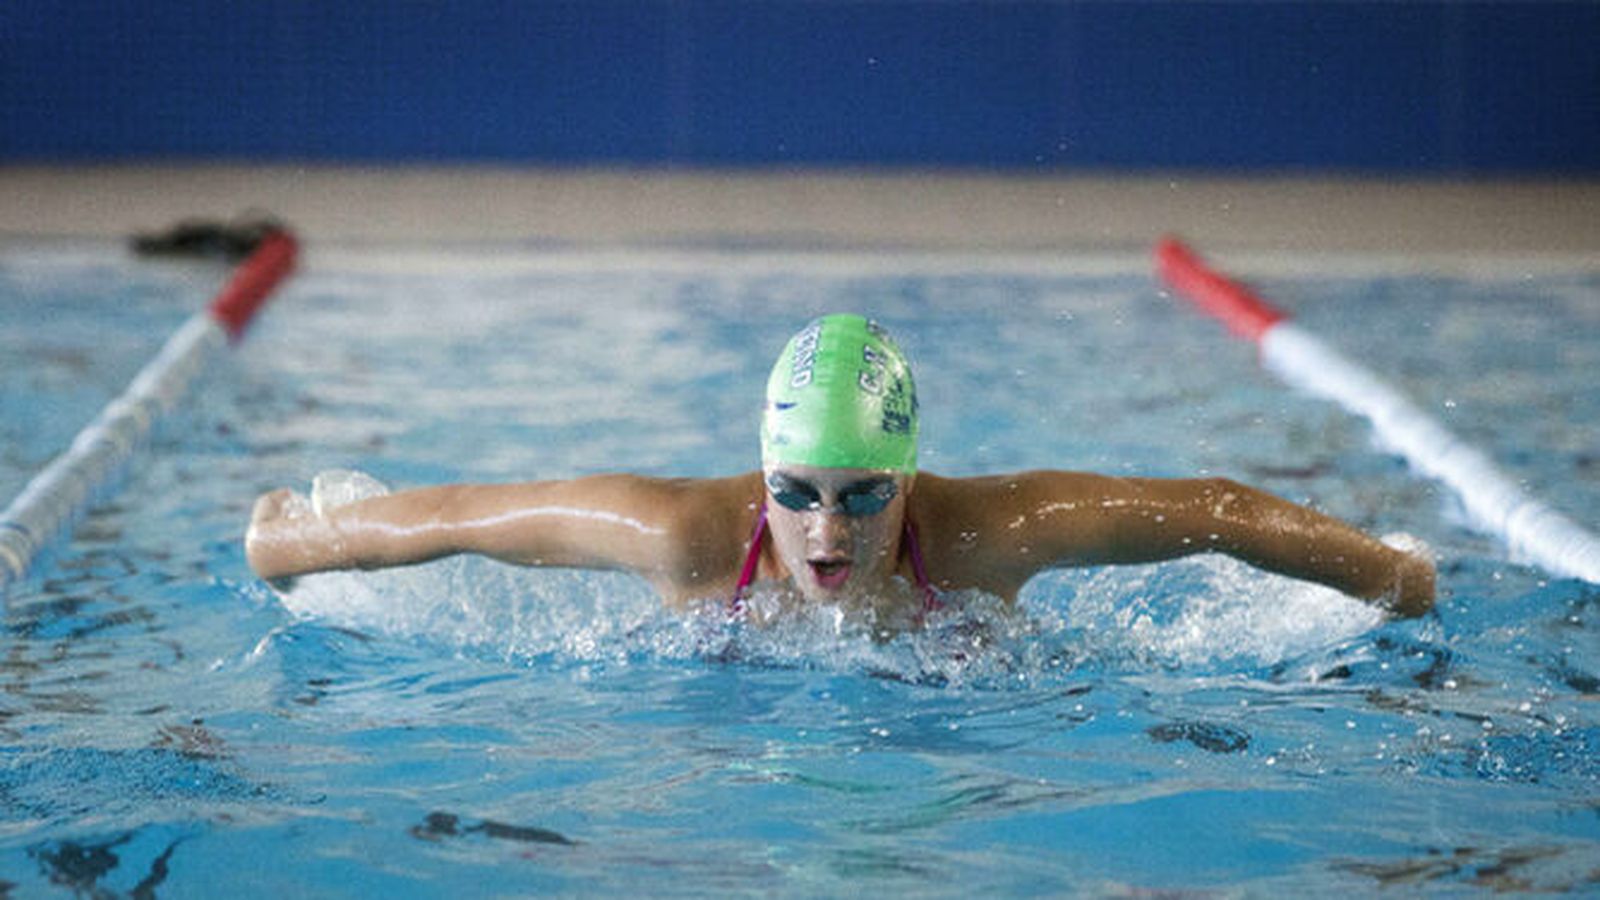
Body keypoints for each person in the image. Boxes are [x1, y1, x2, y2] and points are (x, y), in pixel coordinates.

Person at [247, 314, 1435, 626]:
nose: (826, 532)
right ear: (758, 478)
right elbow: (462, 515)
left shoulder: (990, 531)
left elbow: (1214, 513)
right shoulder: (683, 536)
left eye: (866, 496)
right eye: (798, 493)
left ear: (911, 482)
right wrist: (295, 543)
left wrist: (1391, 575)